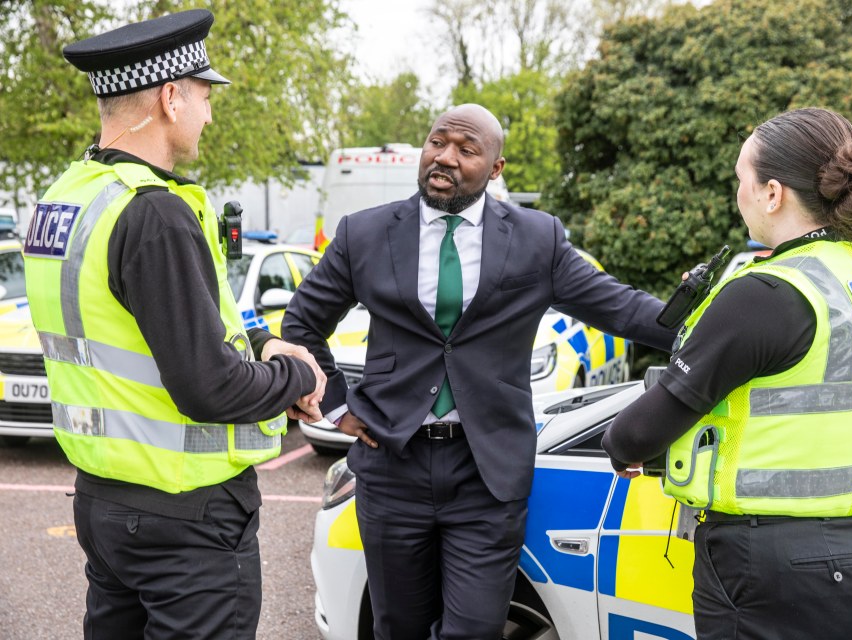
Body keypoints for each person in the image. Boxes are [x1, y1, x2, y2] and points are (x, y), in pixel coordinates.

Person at [282, 103, 677, 640]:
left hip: (486, 474)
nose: (444, 158)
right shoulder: (365, 233)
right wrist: (339, 407)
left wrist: (714, 332)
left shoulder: (539, 239)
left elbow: (620, 308)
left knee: (473, 631)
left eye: (466, 150)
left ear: (496, 169)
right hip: (391, 467)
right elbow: (302, 323)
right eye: (437, 142)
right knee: (397, 627)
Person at [22, 10, 325, 640]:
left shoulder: (67, 197)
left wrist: (263, 342)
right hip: (186, 519)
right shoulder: (155, 214)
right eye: (205, 96)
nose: (209, 114)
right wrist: (293, 376)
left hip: (106, 500)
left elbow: (156, 326)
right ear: (170, 98)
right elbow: (205, 387)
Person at [602, 107, 852, 639]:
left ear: (773, 193)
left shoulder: (772, 292)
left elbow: (632, 436)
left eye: (741, 181)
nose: (739, 195)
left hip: (783, 568)